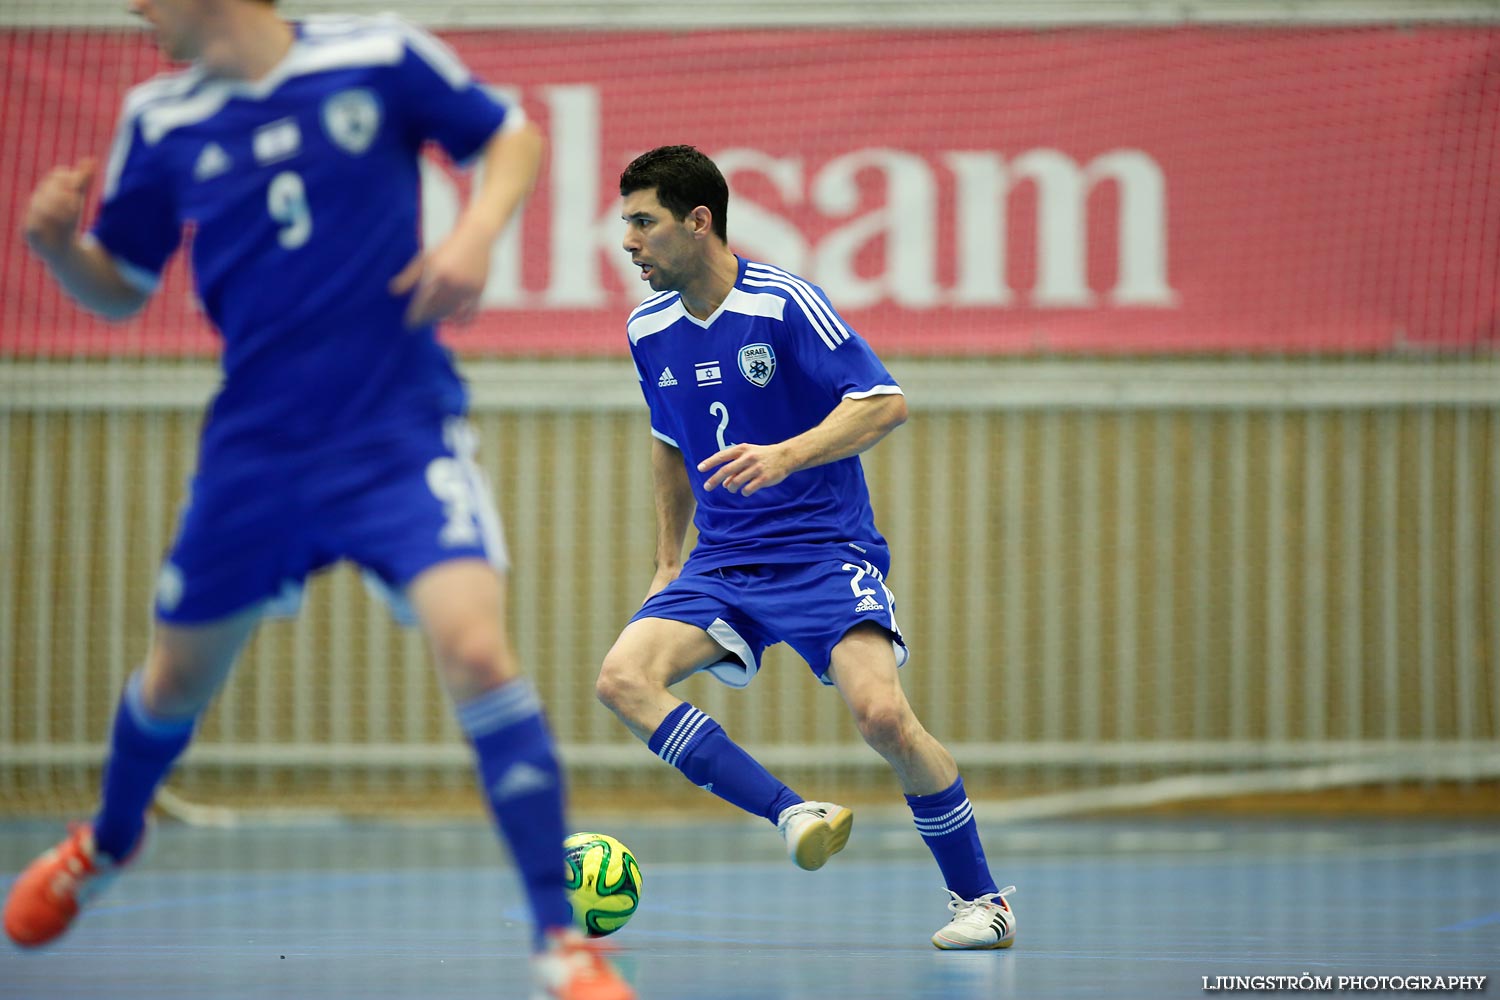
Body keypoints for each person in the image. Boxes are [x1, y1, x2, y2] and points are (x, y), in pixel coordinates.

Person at [2, 1, 633, 996]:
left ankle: (564, 938)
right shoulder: (160, 121)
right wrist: (55, 251)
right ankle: (109, 841)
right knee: (173, 681)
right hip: (257, 450)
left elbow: (512, 135)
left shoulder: (377, 54)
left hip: (397, 431)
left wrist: (473, 233)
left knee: (475, 648)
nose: (132, 6)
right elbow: (122, 284)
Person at [595, 144, 1017, 950]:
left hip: (823, 551)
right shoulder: (647, 327)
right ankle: (794, 811)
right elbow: (667, 442)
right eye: (625, 224)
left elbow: (884, 403)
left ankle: (982, 903)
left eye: (643, 222)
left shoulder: (786, 304)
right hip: (721, 564)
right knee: (622, 678)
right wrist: (666, 560)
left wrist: (787, 454)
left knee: (884, 717)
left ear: (699, 221)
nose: (628, 242)